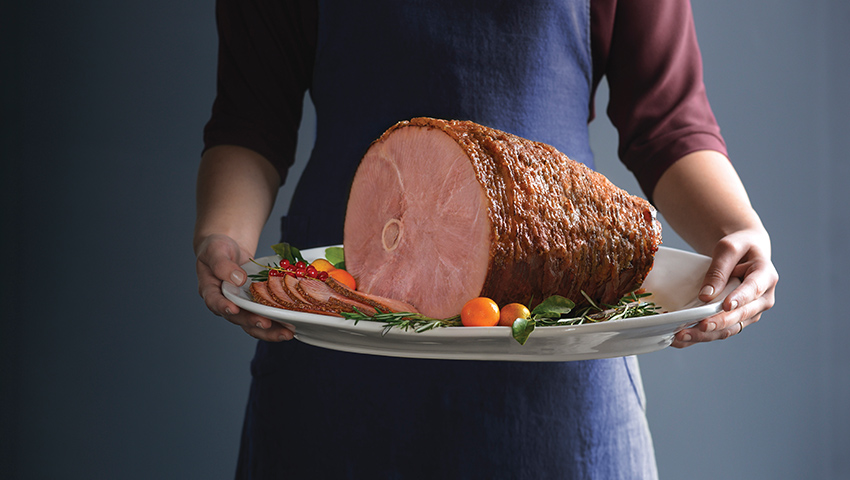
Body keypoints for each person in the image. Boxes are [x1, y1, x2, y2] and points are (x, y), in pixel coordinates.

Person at [194, 0, 779, 478]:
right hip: (338, 344)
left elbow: (667, 122)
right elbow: (251, 116)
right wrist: (223, 237)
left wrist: (737, 231)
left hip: (560, 367)